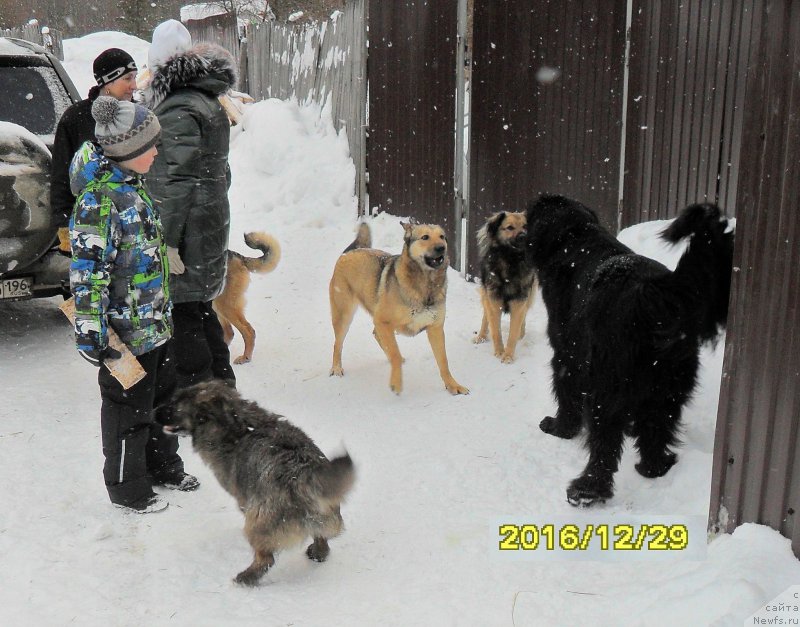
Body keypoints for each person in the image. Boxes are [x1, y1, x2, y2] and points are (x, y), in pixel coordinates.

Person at [69, 96, 200, 514]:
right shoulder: (99, 201)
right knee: (128, 412)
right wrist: (93, 333)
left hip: (153, 326)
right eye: (150, 146)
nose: (157, 152)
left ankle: (163, 467)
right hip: (122, 337)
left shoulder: (132, 189)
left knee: (163, 402)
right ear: (127, 150)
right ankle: (128, 488)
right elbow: (88, 273)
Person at [142, 20, 239, 388]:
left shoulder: (176, 107)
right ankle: (224, 394)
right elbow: (221, 173)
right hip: (208, 225)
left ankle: (201, 403)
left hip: (186, 235)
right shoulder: (207, 99)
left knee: (184, 319)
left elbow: (175, 181)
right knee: (201, 311)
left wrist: (165, 241)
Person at [50, 48, 139, 234]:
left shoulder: (139, 117)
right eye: (128, 78)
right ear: (108, 82)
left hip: (136, 223)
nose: (134, 85)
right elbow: (62, 174)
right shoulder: (76, 119)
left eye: (135, 77)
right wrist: (64, 222)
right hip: (91, 226)